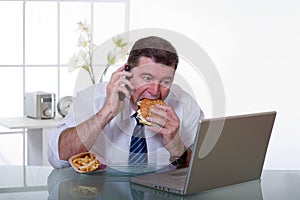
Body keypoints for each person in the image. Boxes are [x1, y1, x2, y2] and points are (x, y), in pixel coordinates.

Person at [48, 36, 204, 169]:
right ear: (127, 72)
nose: (155, 91)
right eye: (147, 78)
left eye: (165, 81)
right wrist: (106, 111)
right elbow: (58, 157)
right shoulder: (92, 98)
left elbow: (203, 171)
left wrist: (177, 147)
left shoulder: (185, 105)